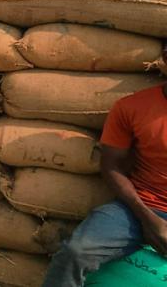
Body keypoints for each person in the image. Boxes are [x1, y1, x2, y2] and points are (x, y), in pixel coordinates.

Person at [42, 46, 167, 287]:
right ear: (165, 59)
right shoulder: (133, 107)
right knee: (76, 252)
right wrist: (148, 219)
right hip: (140, 207)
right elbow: (111, 166)